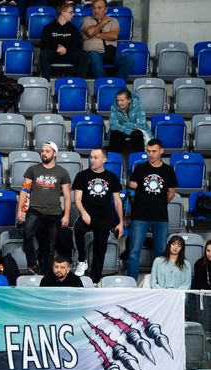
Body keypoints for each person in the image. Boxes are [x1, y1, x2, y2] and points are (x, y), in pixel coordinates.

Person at [125, 139, 178, 282]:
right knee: (134, 252)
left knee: (161, 253)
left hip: (160, 216)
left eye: (154, 151)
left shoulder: (168, 170)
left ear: (161, 151)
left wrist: (160, 203)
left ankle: (158, 282)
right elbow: (132, 187)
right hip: (140, 216)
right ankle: (130, 282)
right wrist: (138, 203)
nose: (150, 154)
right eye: (148, 151)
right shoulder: (140, 168)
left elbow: (171, 192)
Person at [17, 141, 71, 276]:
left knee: (49, 248)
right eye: (42, 151)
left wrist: (66, 215)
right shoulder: (32, 170)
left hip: (53, 214)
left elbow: (67, 196)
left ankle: (46, 276)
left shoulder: (62, 172)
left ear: (54, 154)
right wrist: (20, 211)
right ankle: (32, 264)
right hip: (35, 211)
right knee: (27, 234)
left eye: (47, 151)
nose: (43, 153)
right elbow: (24, 191)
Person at [72, 148, 123, 283]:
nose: (92, 160)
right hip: (87, 214)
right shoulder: (82, 176)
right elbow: (77, 199)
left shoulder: (112, 177)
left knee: (100, 249)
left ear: (104, 160)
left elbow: (117, 201)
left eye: (95, 157)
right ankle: (82, 261)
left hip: (104, 217)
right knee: (78, 229)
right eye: (91, 157)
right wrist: (83, 213)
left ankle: (94, 280)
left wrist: (120, 222)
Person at [82, 0, 134, 81]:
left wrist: (95, 34)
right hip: (94, 53)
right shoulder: (87, 19)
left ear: (105, 10)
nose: (96, 10)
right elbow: (90, 32)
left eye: (99, 8)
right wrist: (102, 23)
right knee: (94, 57)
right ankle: (104, 83)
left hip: (110, 53)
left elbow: (113, 36)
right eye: (94, 8)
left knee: (129, 59)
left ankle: (118, 84)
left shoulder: (113, 20)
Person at [39, 3, 89, 81]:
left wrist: (66, 49)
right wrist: (57, 48)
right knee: (43, 55)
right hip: (54, 54)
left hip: (69, 54)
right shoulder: (48, 27)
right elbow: (43, 44)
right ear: (63, 12)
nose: (73, 15)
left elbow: (78, 44)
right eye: (71, 12)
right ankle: (46, 82)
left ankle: (79, 82)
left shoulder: (73, 28)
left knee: (84, 55)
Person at [108, 89, 151, 154]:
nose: (119, 103)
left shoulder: (138, 107)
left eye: (122, 100)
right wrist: (129, 131)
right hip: (122, 131)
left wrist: (125, 124)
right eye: (118, 100)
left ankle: (140, 158)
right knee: (114, 133)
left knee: (137, 134)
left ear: (129, 100)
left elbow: (141, 125)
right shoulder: (114, 108)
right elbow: (113, 125)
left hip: (135, 131)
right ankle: (113, 158)